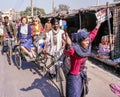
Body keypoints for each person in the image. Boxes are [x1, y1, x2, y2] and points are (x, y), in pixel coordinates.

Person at [64, 21, 101, 97]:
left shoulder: (86, 45)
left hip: (82, 74)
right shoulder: (74, 49)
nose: (88, 42)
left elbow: (92, 35)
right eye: (85, 41)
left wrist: (97, 25)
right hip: (74, 76)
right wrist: (69, 44)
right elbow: (67, 52)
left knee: (82, 93)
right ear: (80, 41)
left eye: (88, 40)